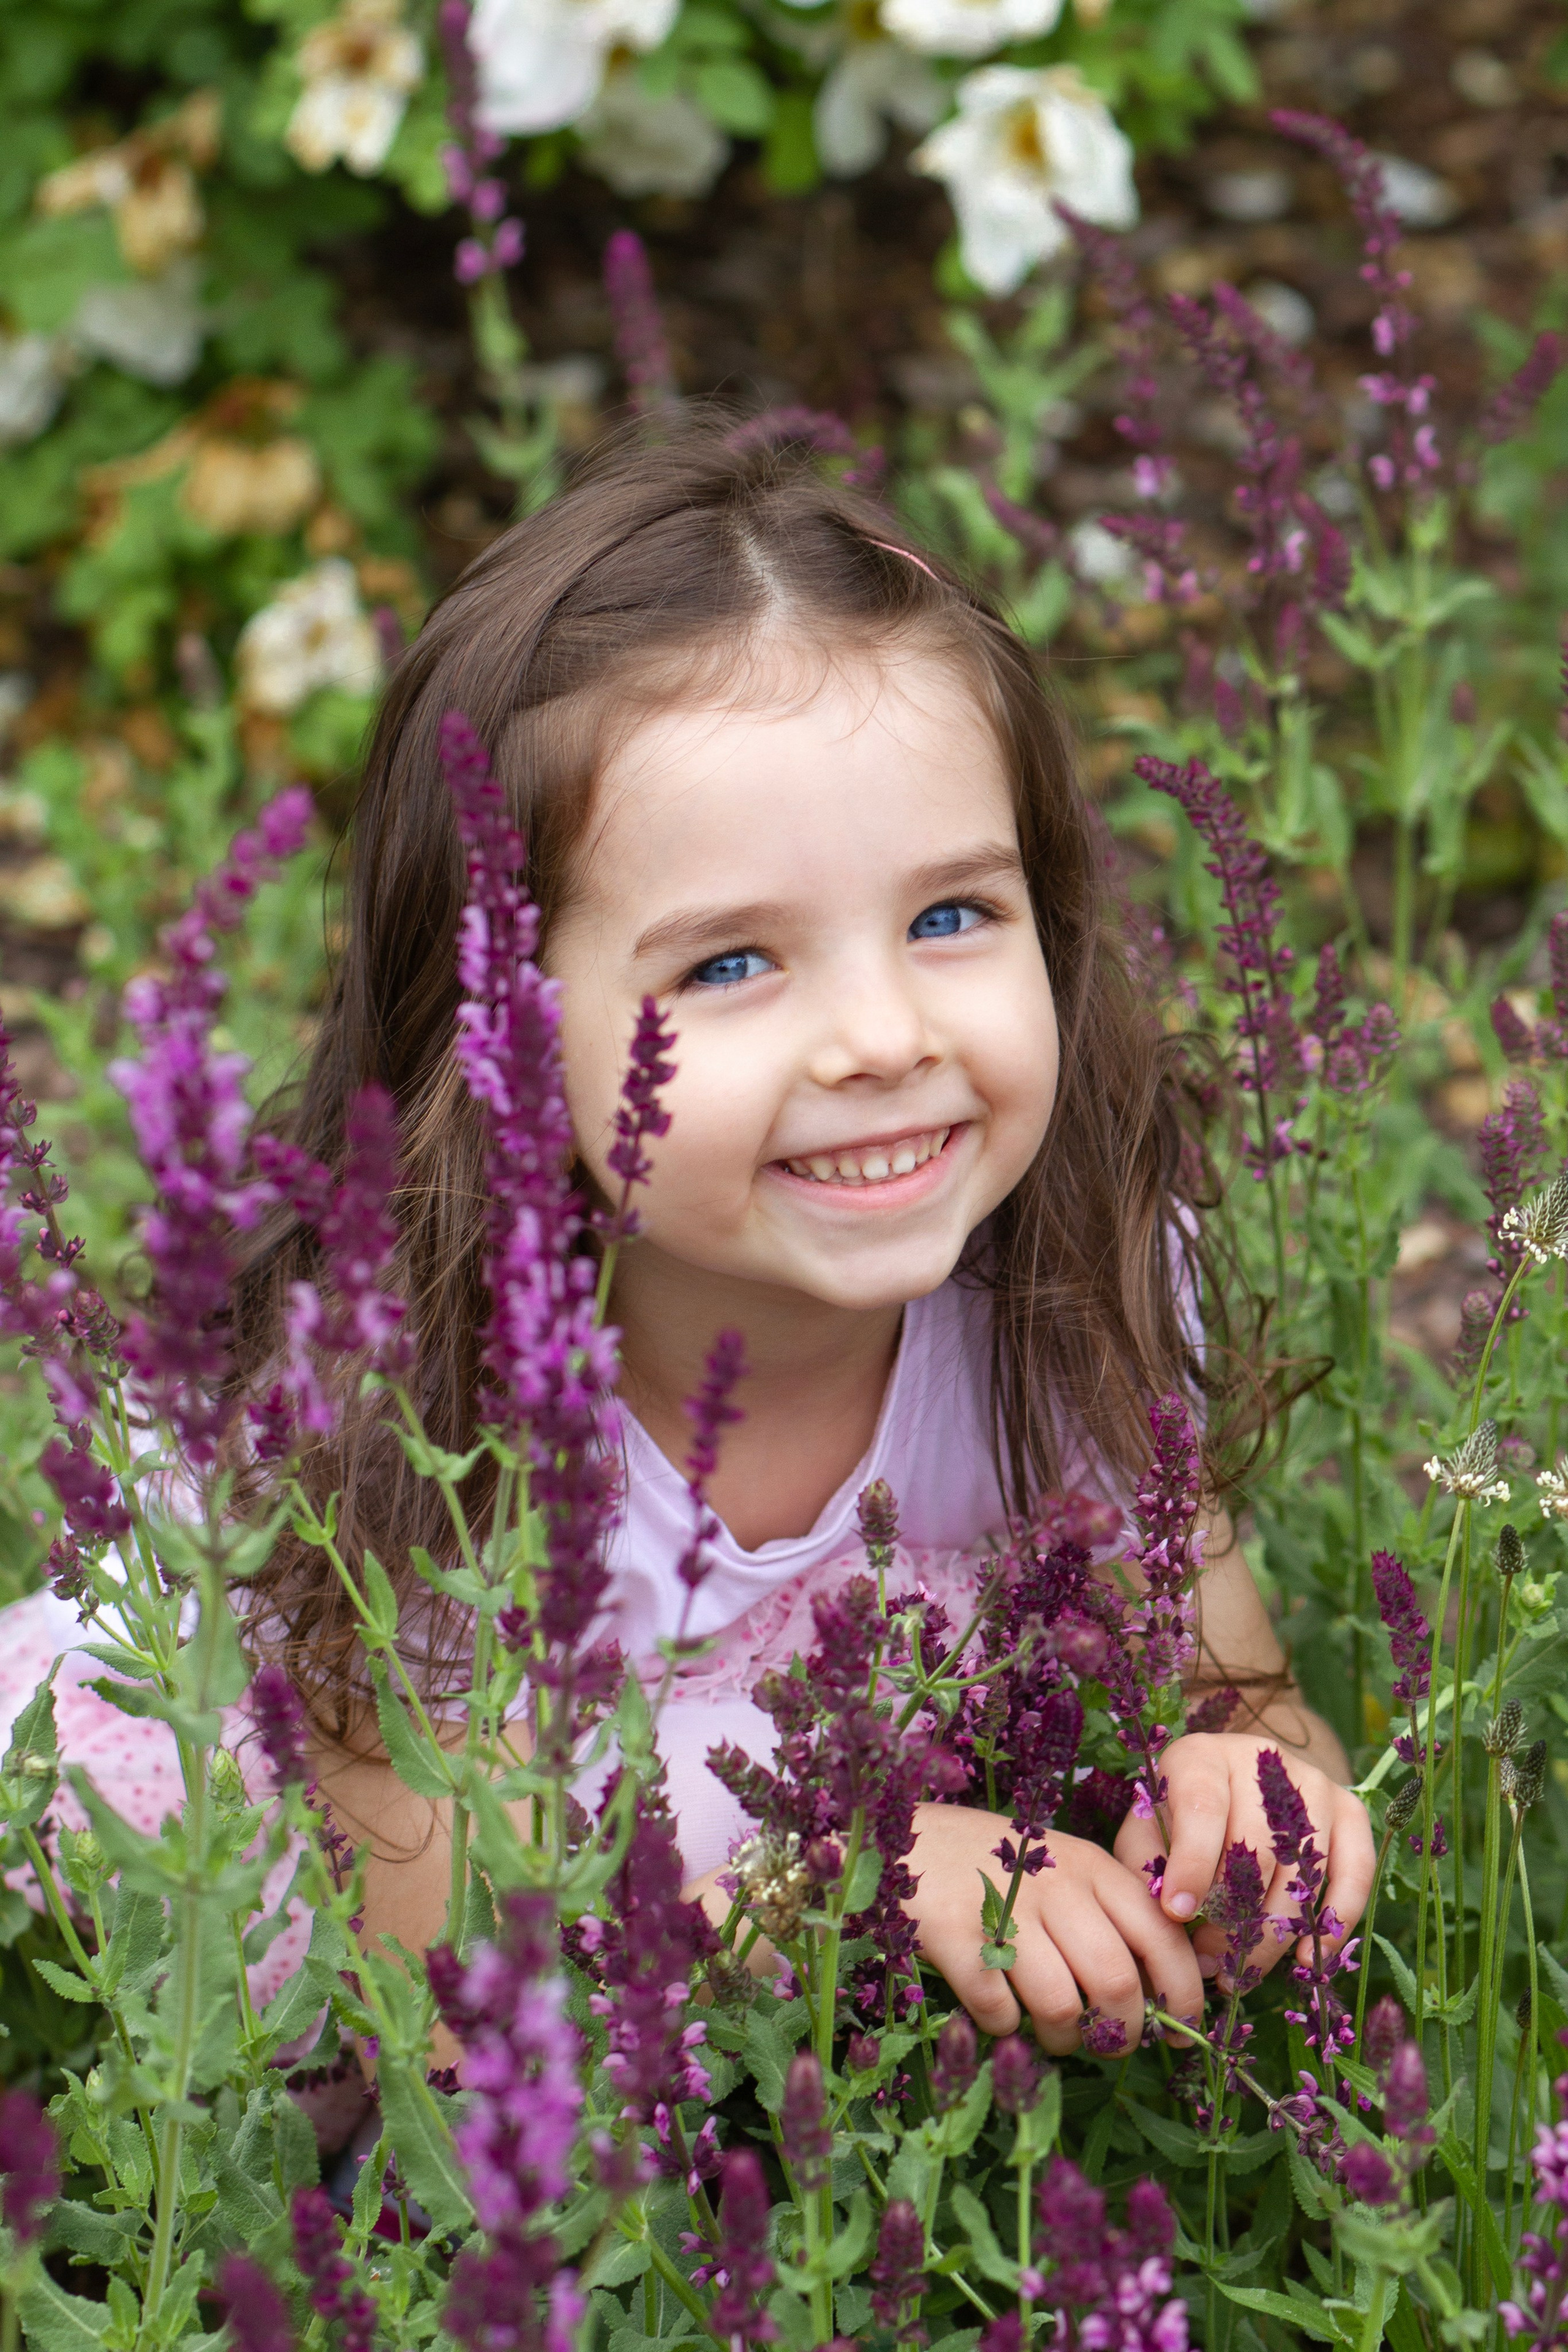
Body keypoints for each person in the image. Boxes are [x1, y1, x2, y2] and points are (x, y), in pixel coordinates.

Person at [247, 423, 1367, 2055]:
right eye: (729, 964)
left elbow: (1240, 1692)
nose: (882, 1037)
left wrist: (1250, 1789)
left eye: (949, 917)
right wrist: (828, 1886)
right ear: (498, 1033)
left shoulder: (1066, 1302)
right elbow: (447, 2017)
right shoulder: (412, 1427)